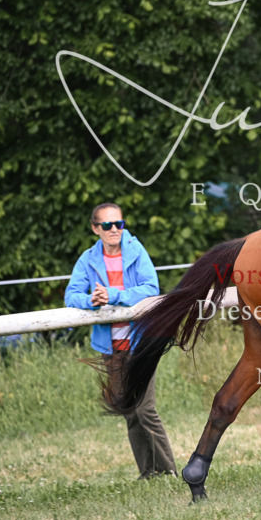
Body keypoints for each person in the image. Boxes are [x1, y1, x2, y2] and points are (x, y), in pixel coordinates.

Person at [64, 202, 177, 480]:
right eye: (107, 225)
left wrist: (113, 295)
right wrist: (92, 300)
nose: (114, 230)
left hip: (142, 343)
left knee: (145, 409)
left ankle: (170, 471)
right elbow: (71, 296)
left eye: (119, 224)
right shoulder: (87, 259)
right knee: (129, 411)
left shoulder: (136, 251)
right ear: (95, 229)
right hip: (111, 348)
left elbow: (151, 289)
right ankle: (148, 473)